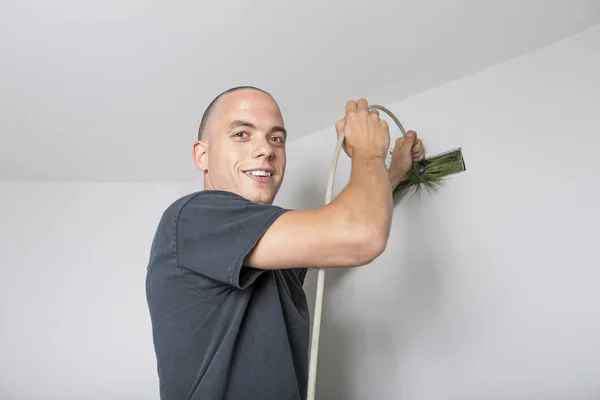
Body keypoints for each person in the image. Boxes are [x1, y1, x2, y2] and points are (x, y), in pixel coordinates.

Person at [145, 86, 424, 400]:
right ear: (202, 154)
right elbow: (362, 234)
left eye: (275, 138)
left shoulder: (265, 242)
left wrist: (395, 173)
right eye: (241, 134)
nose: (265, 149)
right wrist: (369, 151)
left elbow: (346, 227)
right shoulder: (195, 217)